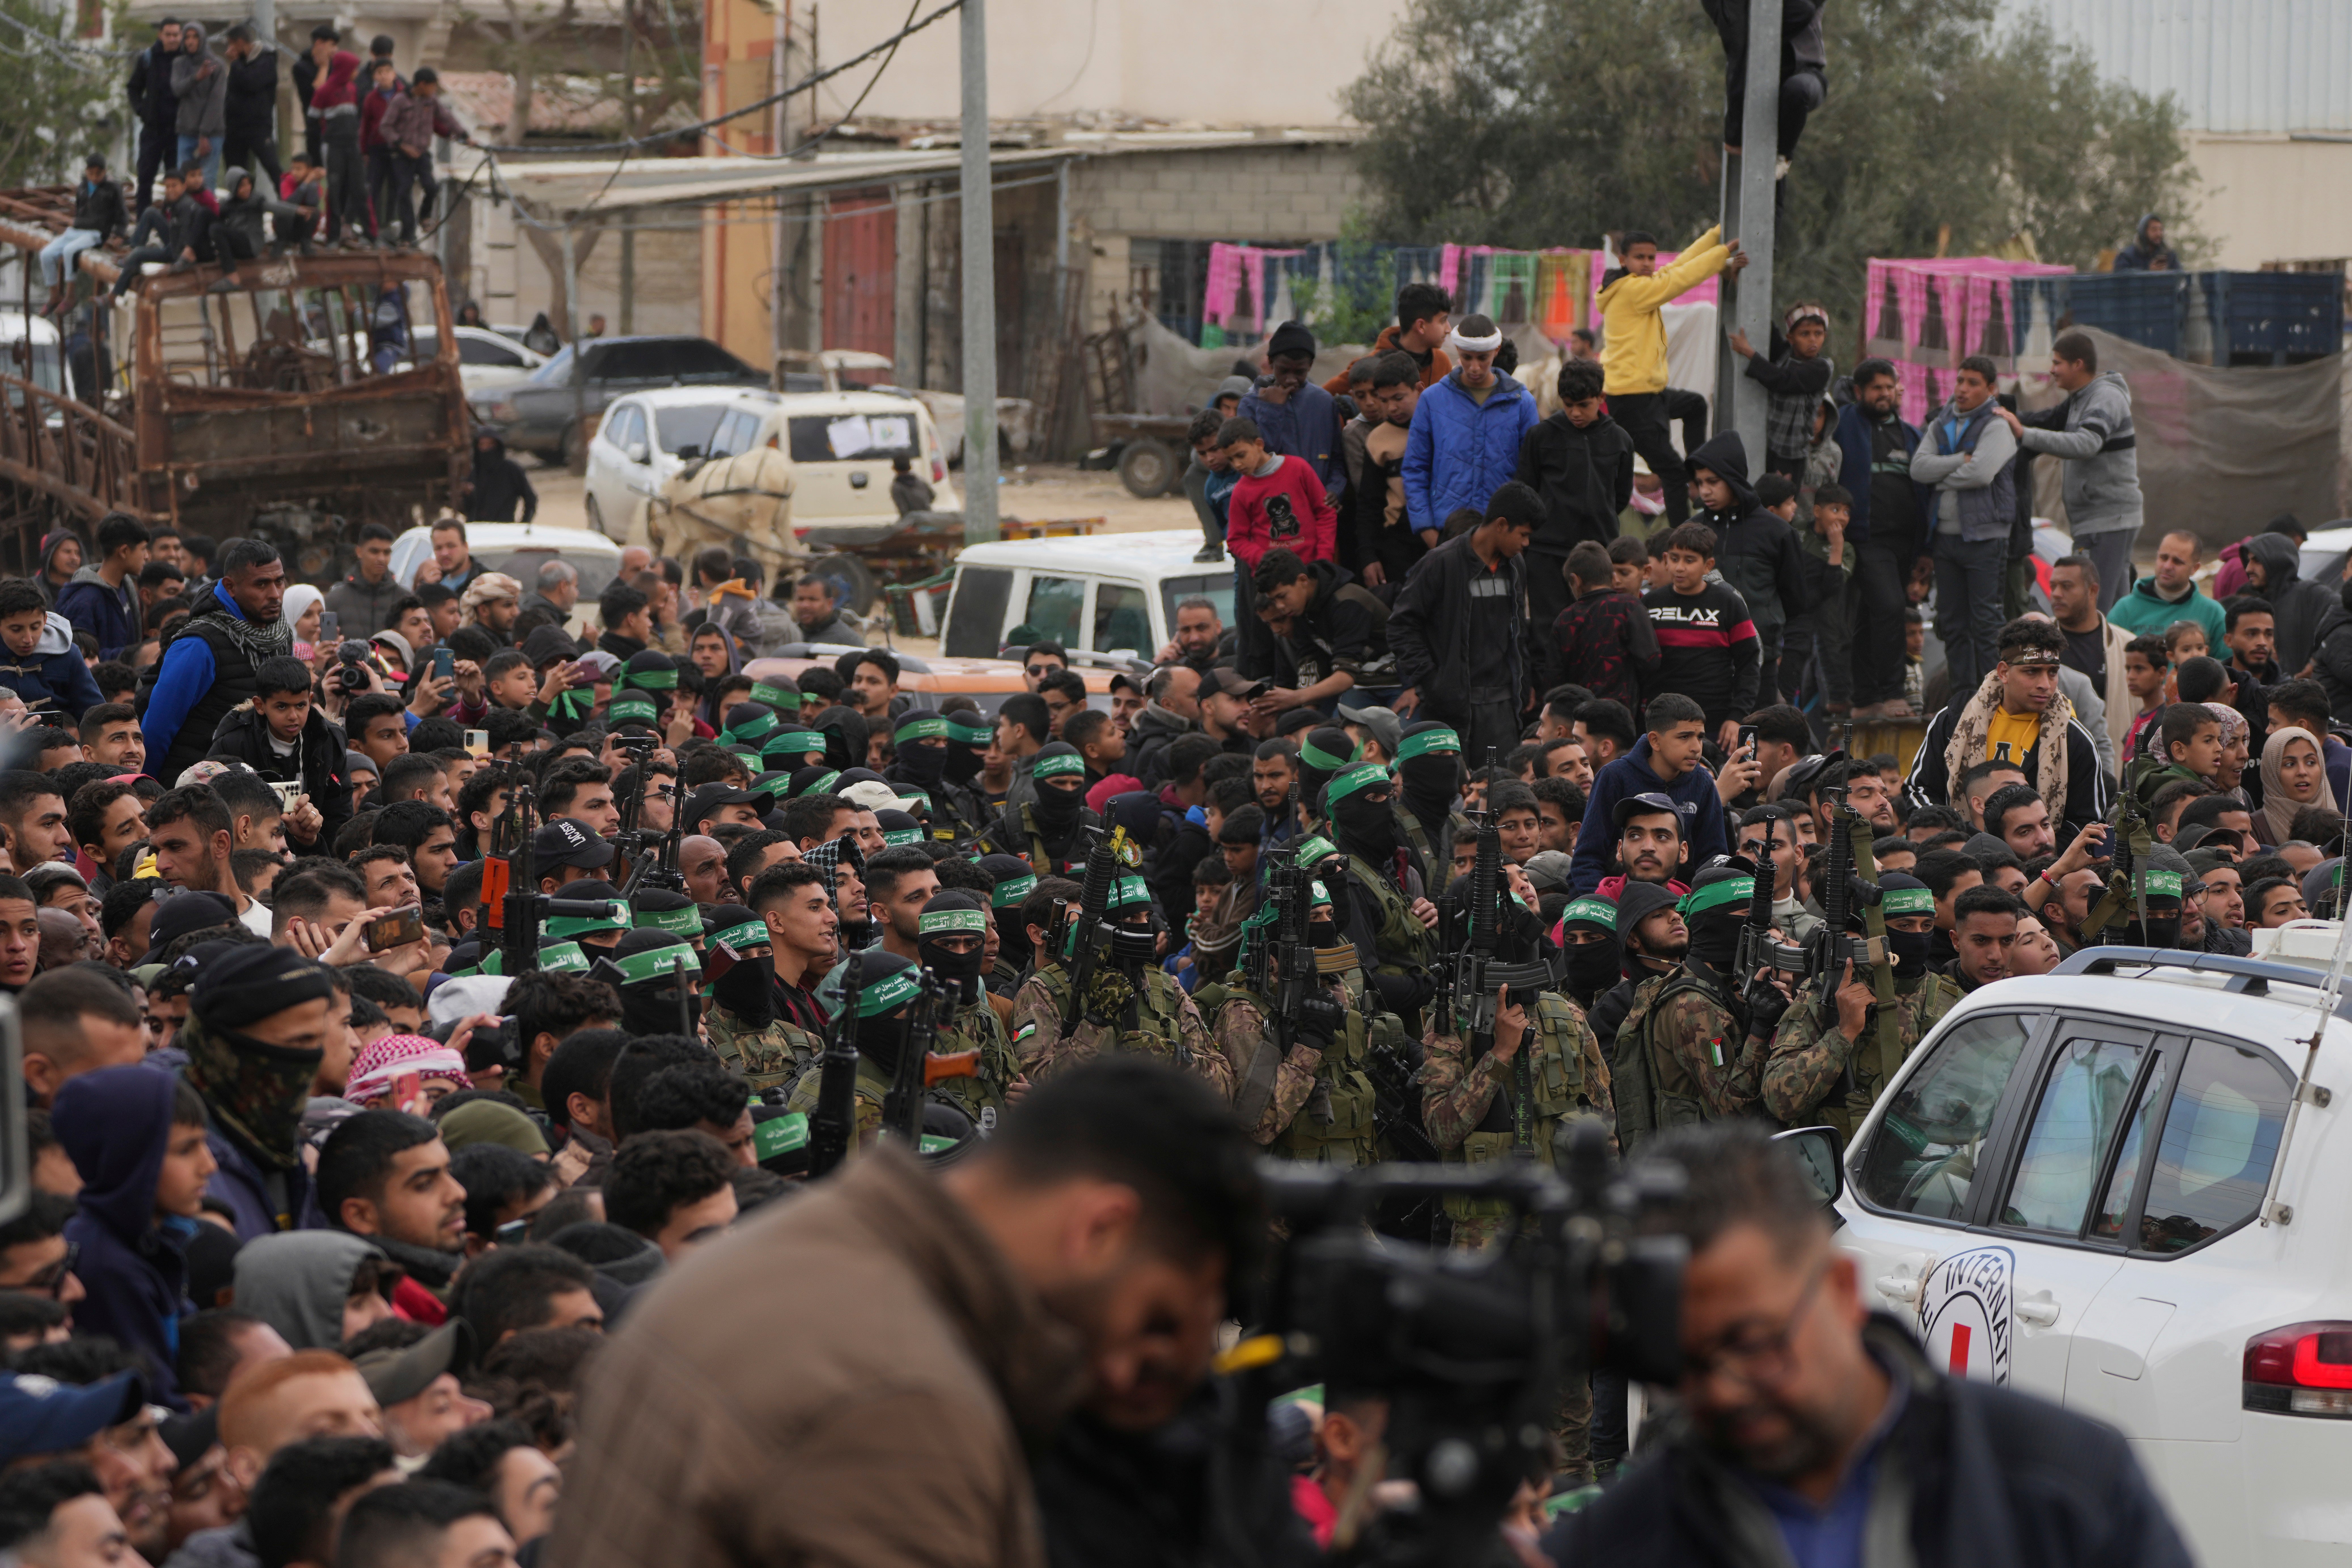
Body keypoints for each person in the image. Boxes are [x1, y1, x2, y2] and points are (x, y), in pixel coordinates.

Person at [552, 1060, 1259, 1568]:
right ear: (1100, 1230)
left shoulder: (799, 1252)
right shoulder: (903, 1396)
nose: (1129, 1376)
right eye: (1155, 1323)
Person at [1544, 1121, 2194, 1568]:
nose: (1720, 1389)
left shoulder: (2063, 1484)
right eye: (1681, 1365)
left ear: (1839, 1289)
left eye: (1753, 1344)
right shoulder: (1619, 1541)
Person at [1595, 227, 1743, 526]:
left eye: (1651, 257)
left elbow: (1676, 267)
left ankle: (1697, 474)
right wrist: (1722, 254)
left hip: (1650, 395)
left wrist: (1714, 235)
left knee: (1695, 405)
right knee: (1671, 474)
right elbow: (1679, 279)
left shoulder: (1636, 283)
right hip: (1632, 401)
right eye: (1639, 258)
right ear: (1623, 260)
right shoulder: (1632, 290)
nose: (1647, 263)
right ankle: (1682, 537)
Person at [1386, 481, 1542, 757]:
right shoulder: (1440, 563)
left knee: (1499, 791)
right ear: (1501, 525)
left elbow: (1519, 631)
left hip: (1502, 709)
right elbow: (1401, 625)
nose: (1526, 544)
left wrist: (1523, 680)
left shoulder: (1516, 565)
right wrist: (1432, 682)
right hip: (1450, 710)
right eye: (1523, 534)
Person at [1997, 331, 2143, 613]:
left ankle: (2096, 658)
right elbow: (2048, 420)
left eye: (2057, 363)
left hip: (2107, 518)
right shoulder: (2079, 399)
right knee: (2114, 607)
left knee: (2092, 607)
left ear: (2077, 364)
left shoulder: (2105, 397)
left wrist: (2023, 433)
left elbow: (2087, 443)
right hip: (2096, 519)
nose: (2051, 370)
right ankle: (2117, 656)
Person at [1910, 355, 2017, 699]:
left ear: (1990, 390)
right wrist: (1959, 461)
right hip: (1944, 538)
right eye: (1960, 381)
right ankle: (1961, 699)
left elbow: (1982, 474)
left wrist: (1941, 478)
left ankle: (1992, 695)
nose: (1962, 389)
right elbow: (1918, 468)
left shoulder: (1997, 425)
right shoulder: (1941, 421)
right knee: (1952, 624)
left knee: (1985, 624)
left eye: (1972, 383)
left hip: (1984, 537)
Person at [1514, 355, 1635, 640]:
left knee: (1596, 630)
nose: (1575, 414)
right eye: (1569, 406)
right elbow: (1526, 491)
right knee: (1548, 630)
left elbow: (1620, 496)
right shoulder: (1541, 436)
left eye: (1584, 406)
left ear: (1600, 397)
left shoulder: (1620, 440)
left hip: (1597, 552)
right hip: (1547, 552)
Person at [1400, 313, 1540, 549]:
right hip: (1445, 533)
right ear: (1457, 351)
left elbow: (1531, 473)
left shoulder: (1522, 403)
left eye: (1482, 358)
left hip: (1502, 535)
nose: (1474, 367)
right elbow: (1415, 469)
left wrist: (1517, 532)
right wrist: (1427, 531)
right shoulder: (1432, 401)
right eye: (1466, 358)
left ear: (1496, 351)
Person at [1236, 319, 1347, 514]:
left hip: (1317, 511)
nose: (1291, 379)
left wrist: (1334, 490)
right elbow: (1258, 459)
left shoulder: (1323, 402)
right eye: (1284, 370)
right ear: (1270, 363)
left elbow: (1337, 460)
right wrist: (1271, 409)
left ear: (1310, 366)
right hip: (1273, 511)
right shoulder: (1251, 404)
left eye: (1300, 372)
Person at [1729, 302, 1835, 484]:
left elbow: (1783, 380)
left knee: (1781, 505)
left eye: (1818, 334)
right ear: (1791, 338)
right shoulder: (1785, 355)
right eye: (1805, 334)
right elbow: (1768, 330)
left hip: (1792, 456)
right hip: (1768, 446)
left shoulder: (1822, 368)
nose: (1813, 340)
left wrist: (1749, 352)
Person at [2047, 553, 2136, 763]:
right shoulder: (2035, 643)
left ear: (2092, 590)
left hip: (2107, 765)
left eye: (2067, 586)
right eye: (2053, 586)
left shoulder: (2126, 647)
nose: (2056, 594)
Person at [1321, 281, 1453, 393]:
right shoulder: (1373, 365)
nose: (1449, 329)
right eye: (1443, 321)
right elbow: (1323, 396)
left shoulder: (1442, 362)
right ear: (1421, 326)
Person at [38, 155, 126, 316]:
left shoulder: (113, 189)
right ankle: (54, 295)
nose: (94, 178)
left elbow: (122, 213)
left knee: (70, 251)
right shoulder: (83, 187)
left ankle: (71, 296)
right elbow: (79, 209)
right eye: (91, 174)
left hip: (96, 233)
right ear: (87, 172)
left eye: (98, 174)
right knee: (46, 254)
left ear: (104, 172)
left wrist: (120, 234)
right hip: (77, 230)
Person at [129, 19, 185, 214]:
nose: (172, 39)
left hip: (178, 131)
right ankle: (143, 220)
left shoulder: (187, 59)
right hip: (154, 129)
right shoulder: (149, 58)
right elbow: (133, 88)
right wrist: (141, 110)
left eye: (176, 35)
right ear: (160, 35)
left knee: (176, 179)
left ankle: (173, 220)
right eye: (168, 35)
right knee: (146, 177)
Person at [219, 26, 280, 191]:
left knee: (274, 169)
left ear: (240, 43)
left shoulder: (265, 61)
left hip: (258, 126)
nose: (229, 50)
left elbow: (251, 83)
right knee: (235, 173)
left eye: (231, 45)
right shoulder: (239, 64)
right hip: (235, 127)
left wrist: (235, 64)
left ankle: (289, 206)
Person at [172, 24, 228, 191]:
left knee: (207, 182)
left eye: (195, 37)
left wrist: (204, 134)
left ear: (202, 39)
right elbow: (177, 89)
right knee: (183, 181)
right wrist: (196, 78)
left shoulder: (216, 65)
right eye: (187, 37)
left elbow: (217, 102)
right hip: (186, 131)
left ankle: (207, 217)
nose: (190, 42)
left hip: (212, 134)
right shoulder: (179, 64)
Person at [2114, 212, 2180, 272]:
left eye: (2161, 230)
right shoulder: (2127, 257)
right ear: (2144, 232)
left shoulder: (2169, 255)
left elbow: (2180, 278)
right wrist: (2148, 272)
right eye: (2154, 230)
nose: (2159, 234)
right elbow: (2121, 278)